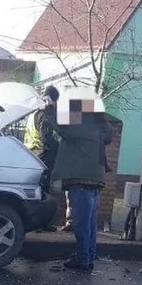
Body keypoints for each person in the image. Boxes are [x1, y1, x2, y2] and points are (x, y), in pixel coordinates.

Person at [51, 105, 112, 272]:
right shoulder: (99, 123)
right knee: (90, 222)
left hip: (81, 178)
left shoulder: (83, 121)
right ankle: (89, 255)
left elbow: (62, 129)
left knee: (81, 223)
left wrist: (51, 109)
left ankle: (83, 258)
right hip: (95, 179)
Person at [24, 86, 60, 231]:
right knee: (42, 191)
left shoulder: (33, 114)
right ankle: (40, 224)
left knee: (36, 190)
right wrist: (58, 147)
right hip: (43, 156)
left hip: (32, 155)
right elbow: (47, 139)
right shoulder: (44, 115)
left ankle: (37, 223)